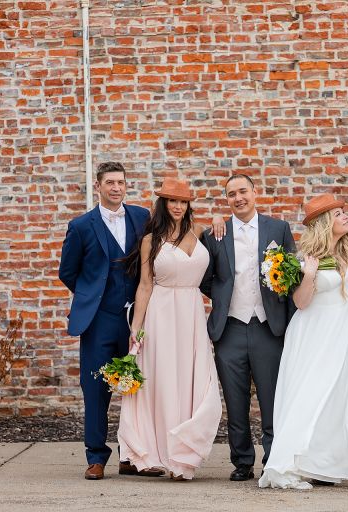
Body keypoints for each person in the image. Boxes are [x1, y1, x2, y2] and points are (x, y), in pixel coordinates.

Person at [58, 162, 161, 480]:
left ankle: (132, 455)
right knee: (96, 388)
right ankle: (96, 457)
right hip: (99, 320)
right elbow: (68, 271)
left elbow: (175, 228)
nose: (117, 188)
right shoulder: (81, 226)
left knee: (137, 389)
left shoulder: (142, 217)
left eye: (121, 182)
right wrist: (91, 296)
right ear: (98, 186)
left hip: (136, 317)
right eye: (110, 183)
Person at [117, 177, 222, 481]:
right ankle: (154, 453)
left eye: (183, 201)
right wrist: (135, 328)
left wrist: (217, 217)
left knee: (193, 382)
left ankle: (183, 457)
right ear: (163, 204)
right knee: (160, 384)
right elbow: (145, 286)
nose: (178, 206)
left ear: (189, 204)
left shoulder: (200, 231)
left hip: (191, 314)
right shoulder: (152, 240)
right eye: (172, 201)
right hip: (160, 315)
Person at [258, 194, 348, 489]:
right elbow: (301, 303)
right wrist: (309, 275)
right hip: (311, 334)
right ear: (325, 222)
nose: (346, 216)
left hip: (338, 336)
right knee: (307, 396)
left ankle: (321, 464)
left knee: (333, 399)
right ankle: (288, 463)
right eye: (339, 213)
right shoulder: (305, 258)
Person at [199, 174, 296, 482]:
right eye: (231, 194)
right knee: (236, 400)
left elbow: (291, 273)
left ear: (255, 193)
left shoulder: (278, 228)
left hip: (268, 326)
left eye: (243, 191)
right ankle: (242, 462)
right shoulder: (214, 233)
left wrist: (289, 323)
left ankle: (273, 459)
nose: (238, 198)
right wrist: (223, 298)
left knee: (271, 399)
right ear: (226, 199)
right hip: (229, 328)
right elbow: (205, 276)